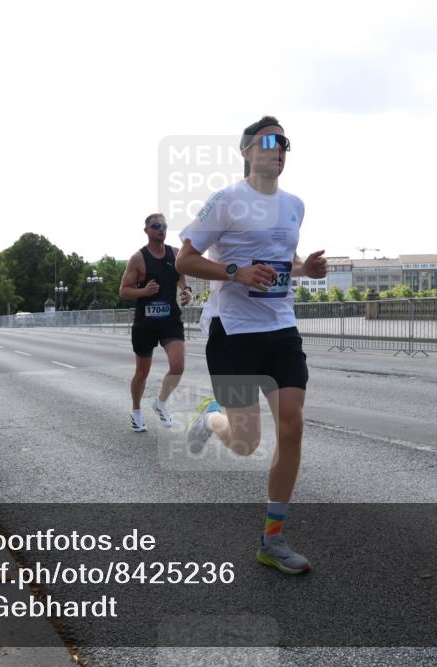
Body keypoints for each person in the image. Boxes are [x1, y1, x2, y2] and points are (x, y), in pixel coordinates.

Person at [176, 116, 327, 575]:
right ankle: (211, 416)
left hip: (281, 328)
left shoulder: (295, 205)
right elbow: (185, 259)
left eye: (283, 142)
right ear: (245, 151)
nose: (277, 148)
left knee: (292, 424)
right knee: (246, 442)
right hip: (234, 330)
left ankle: (272, 539)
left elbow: (284, 261)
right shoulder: (226, 201)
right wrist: (234, 273)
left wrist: (305, 270)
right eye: (267, 141)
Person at [119, 213, 192, 432]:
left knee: (178, 366)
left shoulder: (175, 253)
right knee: (142, 373)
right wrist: (144, 291)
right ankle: (136, 412)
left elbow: (181, 277)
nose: (161, 229)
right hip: (145, 324)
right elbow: (123, 291)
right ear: (146, 230)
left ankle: (160, 402)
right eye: (156, 226)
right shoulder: (138, 258)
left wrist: (186, 290)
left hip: (170, 321)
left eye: (164, 226)